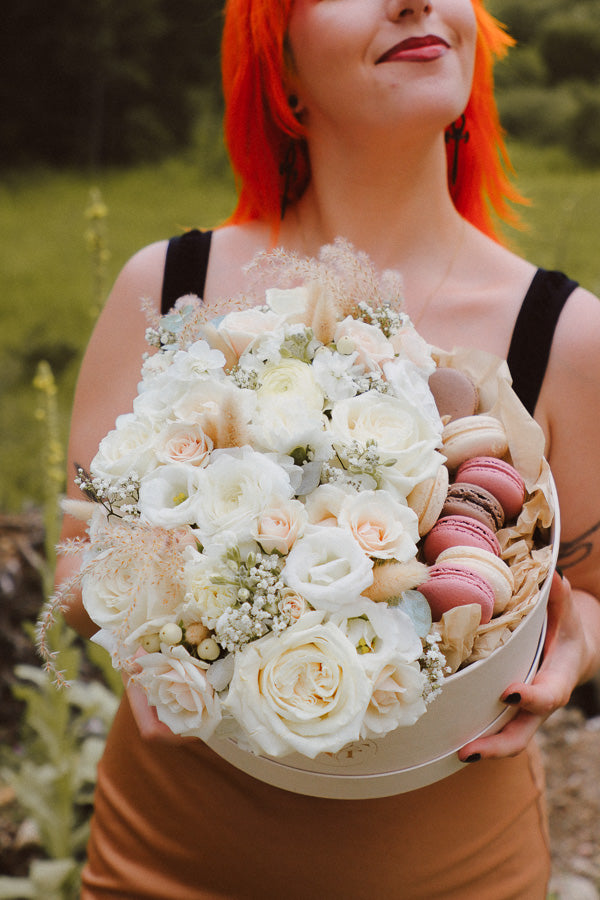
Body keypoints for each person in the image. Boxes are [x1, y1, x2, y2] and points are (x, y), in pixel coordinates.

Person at [56, 1, 600, 897]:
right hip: (168, 860)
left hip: (456, 873)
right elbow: (82, 556)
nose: (412, 1)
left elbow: (592, 594)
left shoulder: (566, 335)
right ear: (281, 66)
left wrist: (573, 647)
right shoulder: (167, 288)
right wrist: (134, 634)